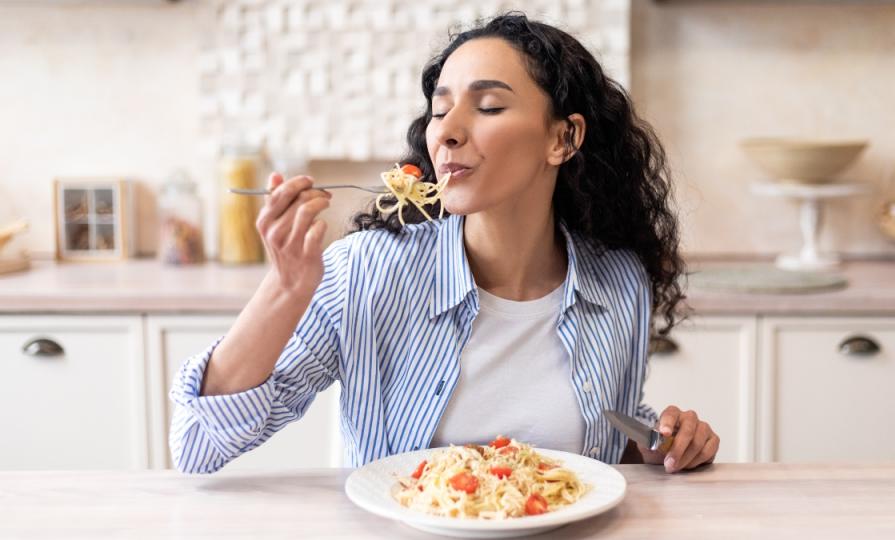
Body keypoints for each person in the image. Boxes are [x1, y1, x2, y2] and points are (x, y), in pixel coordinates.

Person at [169, 12, 718, 474]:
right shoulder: (367, 271)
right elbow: (197, 446)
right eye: (439, 109)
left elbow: (603, 440)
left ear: (563, 137)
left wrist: (663, 441)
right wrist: (285, 290)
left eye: (488, 107)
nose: (446, 131)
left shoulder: (619, 282)